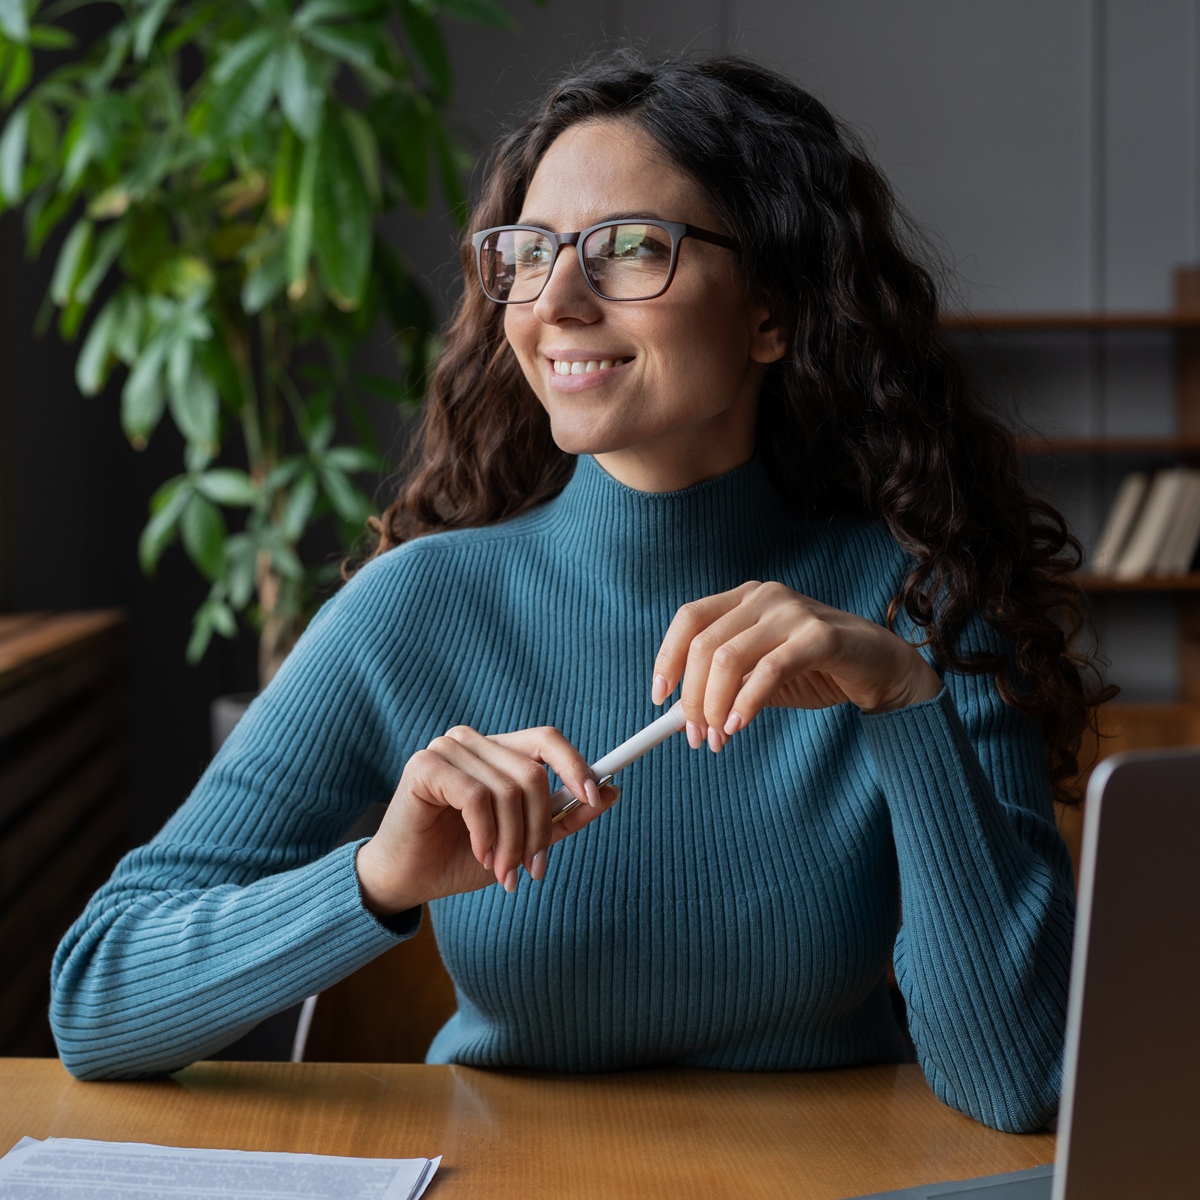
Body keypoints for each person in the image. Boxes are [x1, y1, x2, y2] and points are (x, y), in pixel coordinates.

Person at [51, 53, 1111, 1134]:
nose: (555, 300)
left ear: (772, 314)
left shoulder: (921, 609)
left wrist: (903, 702)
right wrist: (377, 877)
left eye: (630, 249)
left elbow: (1019, 1082)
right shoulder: (415, 608)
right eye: (529, 253)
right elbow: (96, 998)